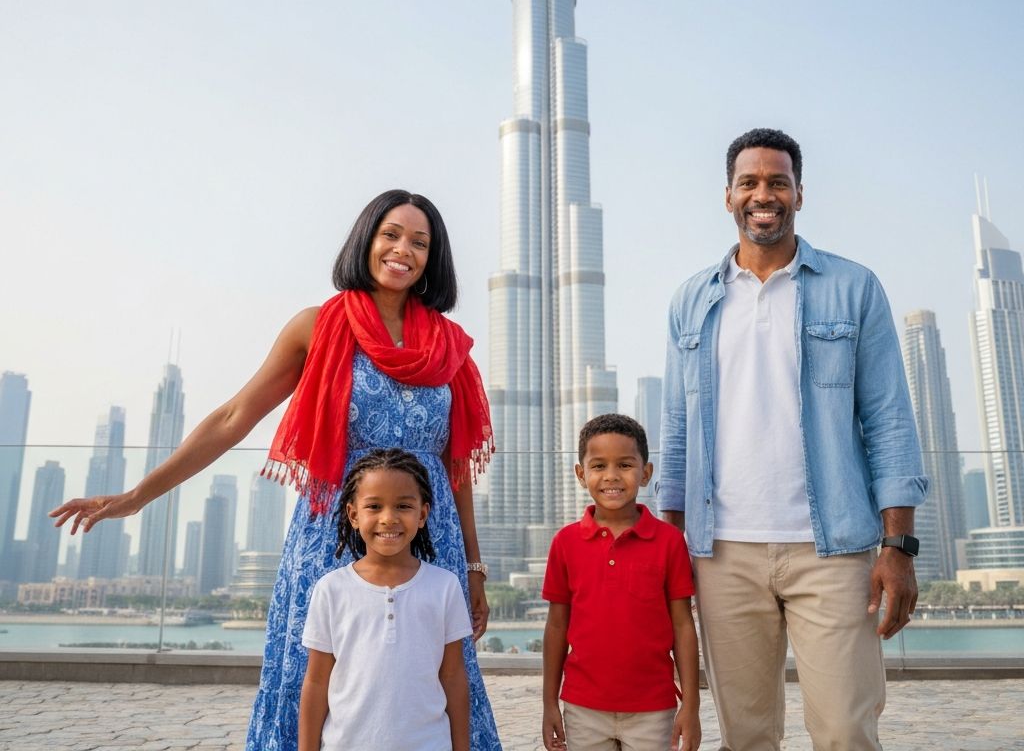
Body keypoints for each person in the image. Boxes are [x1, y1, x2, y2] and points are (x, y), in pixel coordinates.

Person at [51, 189, 503, 751]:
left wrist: (476, 565)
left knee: (437, 674)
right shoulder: (317, 327)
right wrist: (139, 495)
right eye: (390, 234)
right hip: (332, 536)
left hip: (431, 540)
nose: (402, 250)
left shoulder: (449, 348)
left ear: (433, 258)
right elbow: (234, 417)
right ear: (366, 239)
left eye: (419, 241)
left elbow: (455, 467)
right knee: (309, 676)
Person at [658, 128, 928, 751]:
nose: (764, 194)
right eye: (749, 182)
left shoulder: (854, 287)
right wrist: (669, 540)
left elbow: (888, 419)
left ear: (799, 194)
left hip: (832, 549)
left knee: (845, 733)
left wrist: (899, 546)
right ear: (727, 196)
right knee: (746, 737)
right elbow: (676, 429)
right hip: (721, 552)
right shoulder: (691, 301)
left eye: (778, 181)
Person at [542, 413, 701, 751]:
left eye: (625, 465)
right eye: (599, 466)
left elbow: (684, 626)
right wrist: (548, 704)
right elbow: (556, 627)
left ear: (646, 473)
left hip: (653, 709)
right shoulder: (565, 543)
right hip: (583, 707)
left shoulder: (670, 542)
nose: (611, 476)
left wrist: (691, 705)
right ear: (581, 474)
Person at [299, 448, 471, 751]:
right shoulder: (331, 589)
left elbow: (453, 675)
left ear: (423, 515)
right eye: (374, 506)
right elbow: (316, 682)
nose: (388, 519)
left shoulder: (445, 587)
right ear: (353, 515)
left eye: (403, 506)